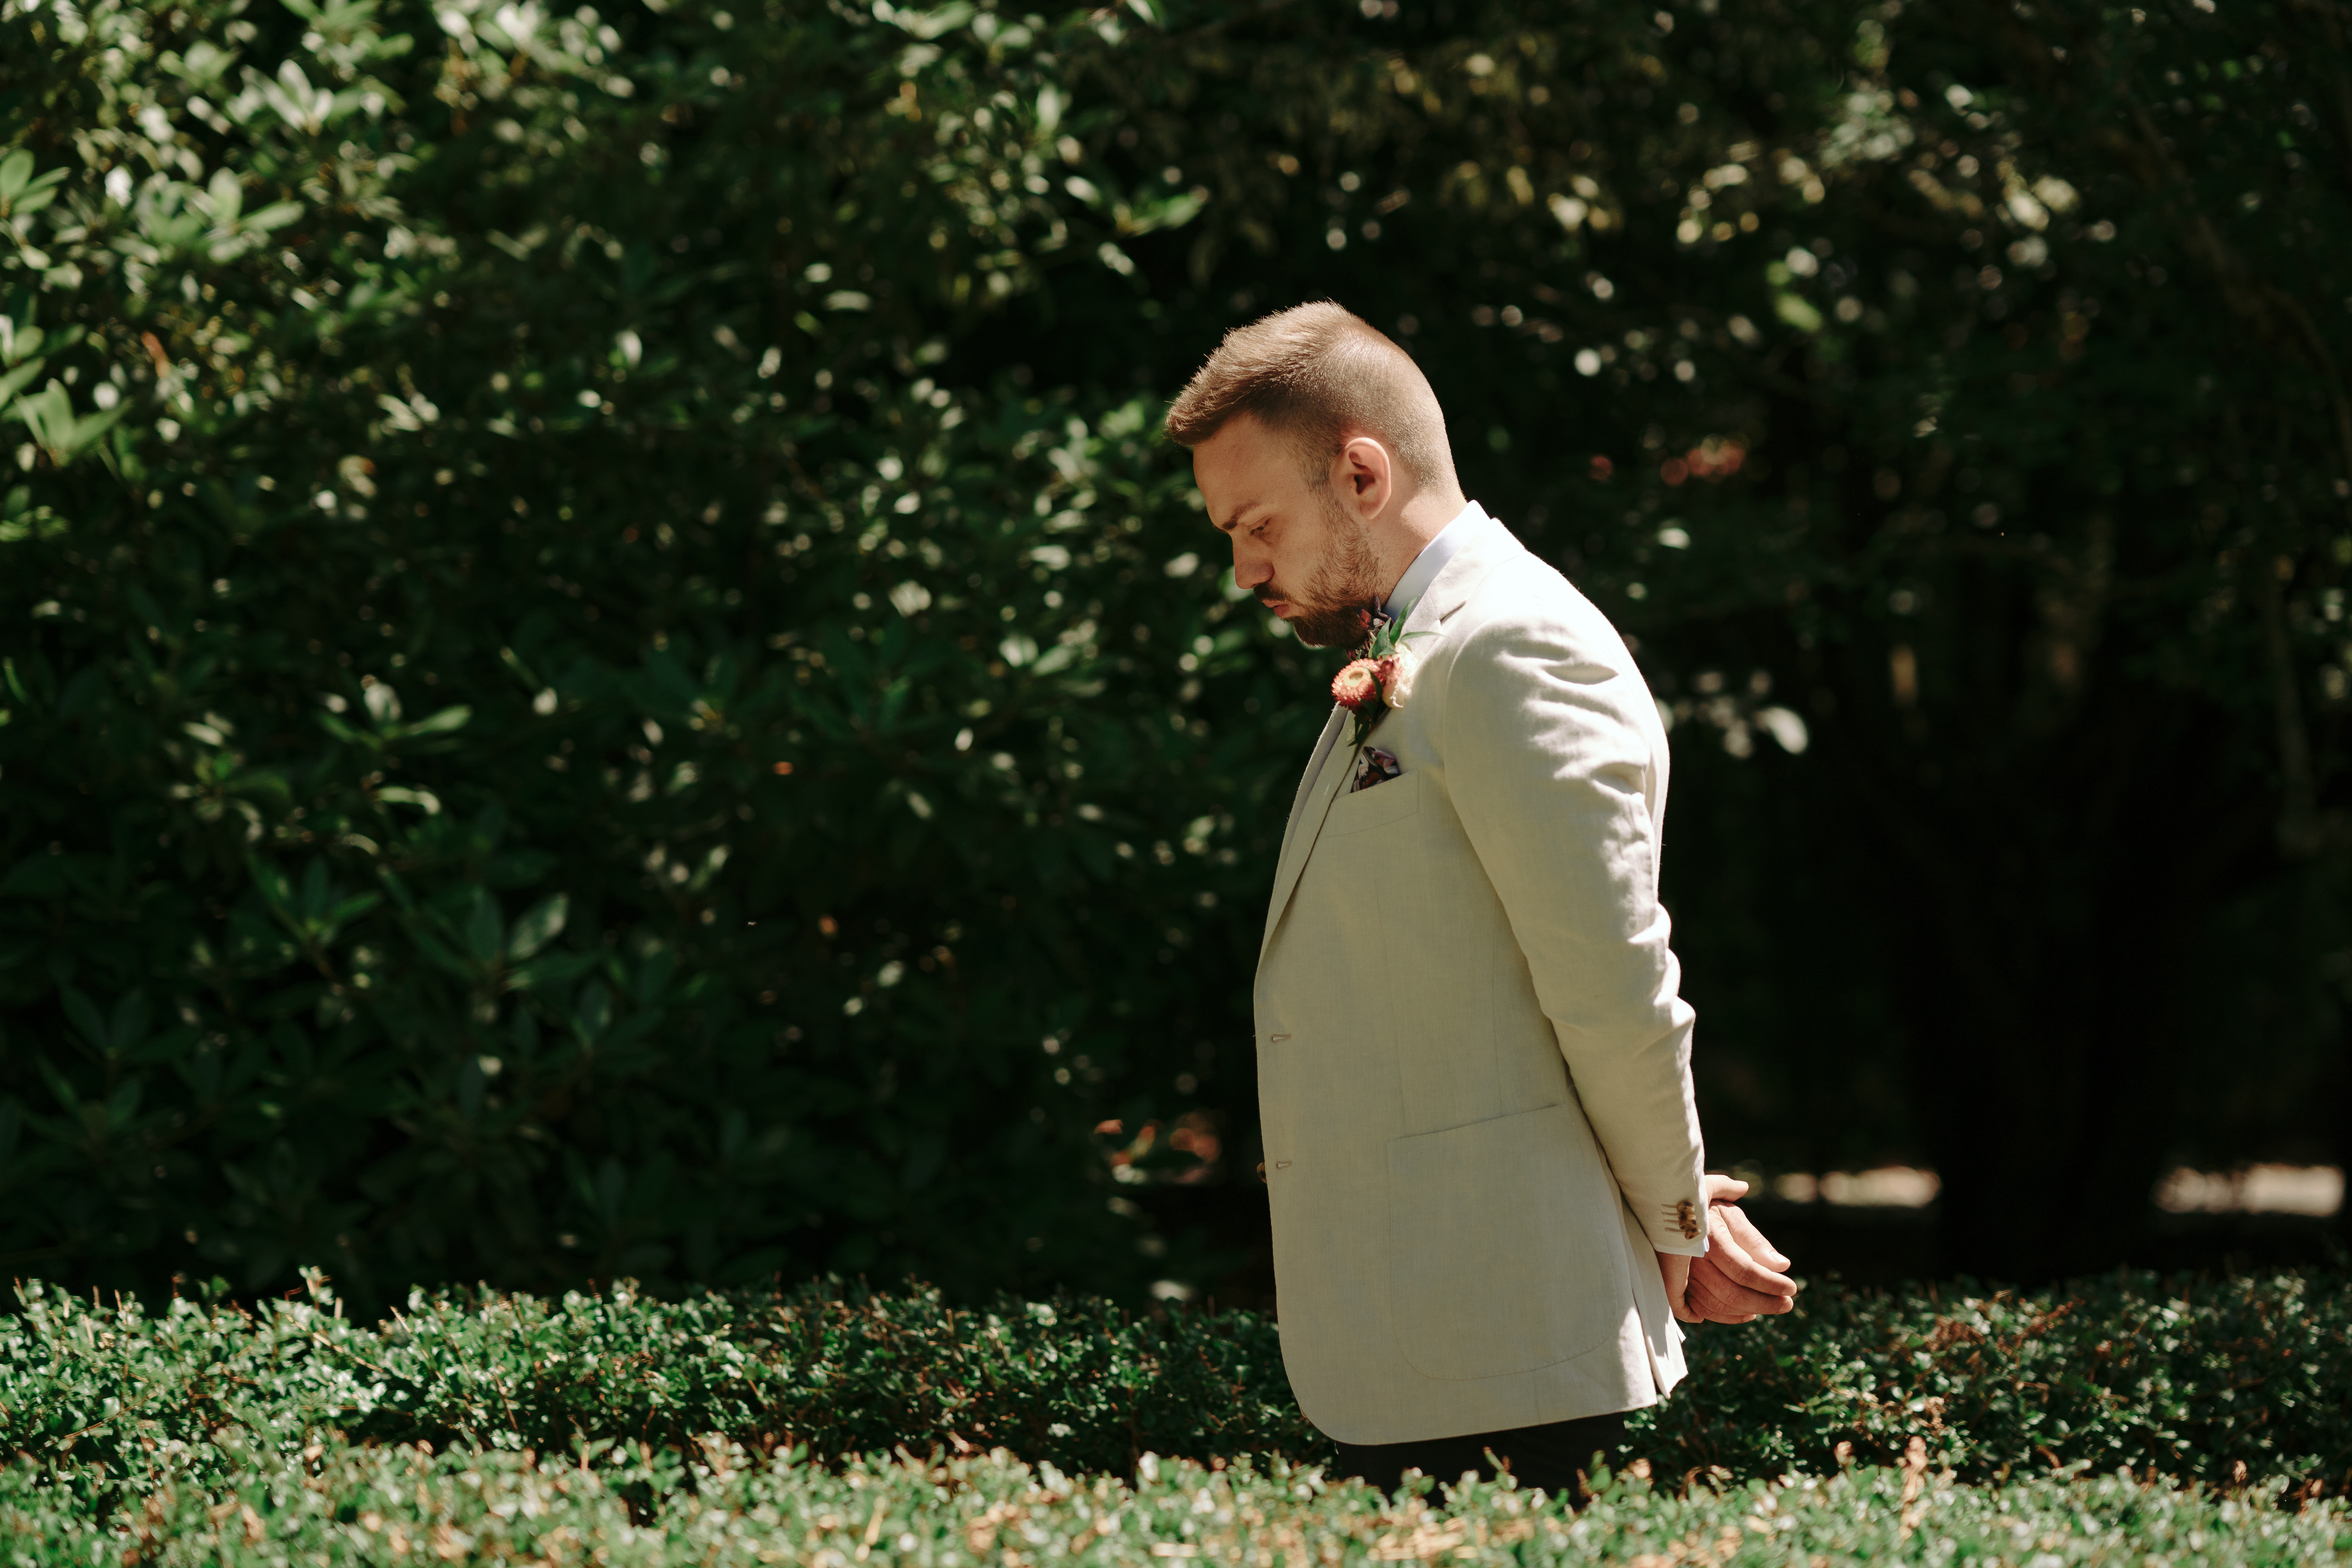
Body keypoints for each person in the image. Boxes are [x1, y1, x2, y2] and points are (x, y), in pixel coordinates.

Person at [1162, 302, 1798, 1499]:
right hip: (1438, 1334)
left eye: (1256, 526)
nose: (1243, 570)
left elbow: (1612, 983)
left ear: (1362, 474)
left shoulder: (1512, 642)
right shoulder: (1425, 645)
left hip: (1512, 1349)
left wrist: (1675, 1214)